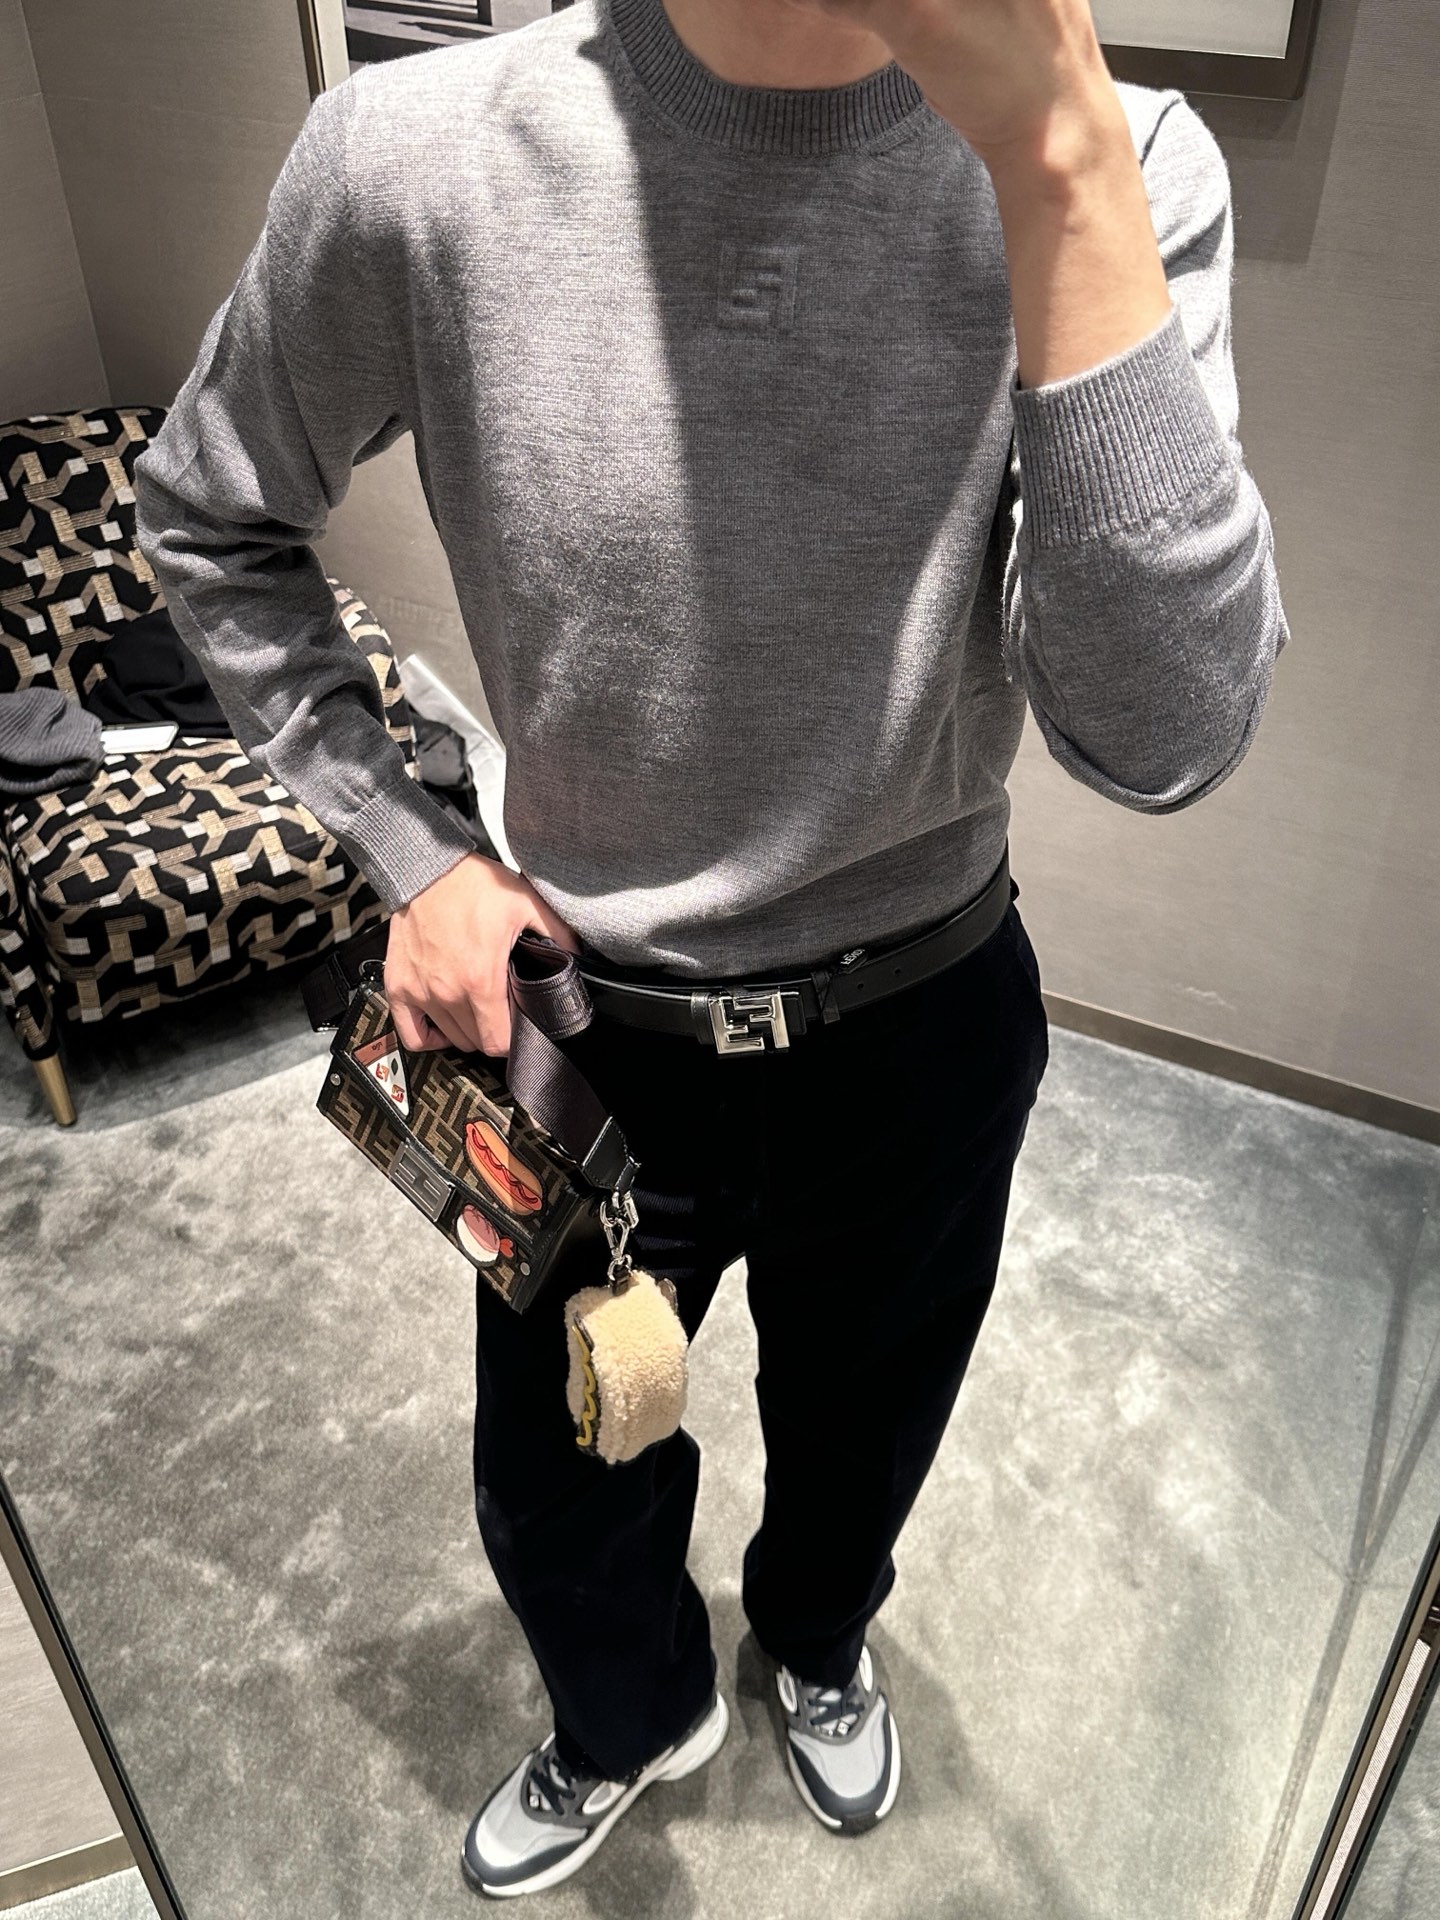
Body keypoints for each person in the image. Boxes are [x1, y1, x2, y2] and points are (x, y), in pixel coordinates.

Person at [133, 0, 1289, 1899]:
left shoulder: (1121, 160)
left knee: (869, 1431)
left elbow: (1163, 732)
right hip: (582, 1029)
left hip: (921, 1013)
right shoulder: (417, 156)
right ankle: (626, 1717)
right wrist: (412, 849)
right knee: (560, 1477)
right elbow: (208, 510)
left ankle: (818, 1644)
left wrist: (1060, 163)